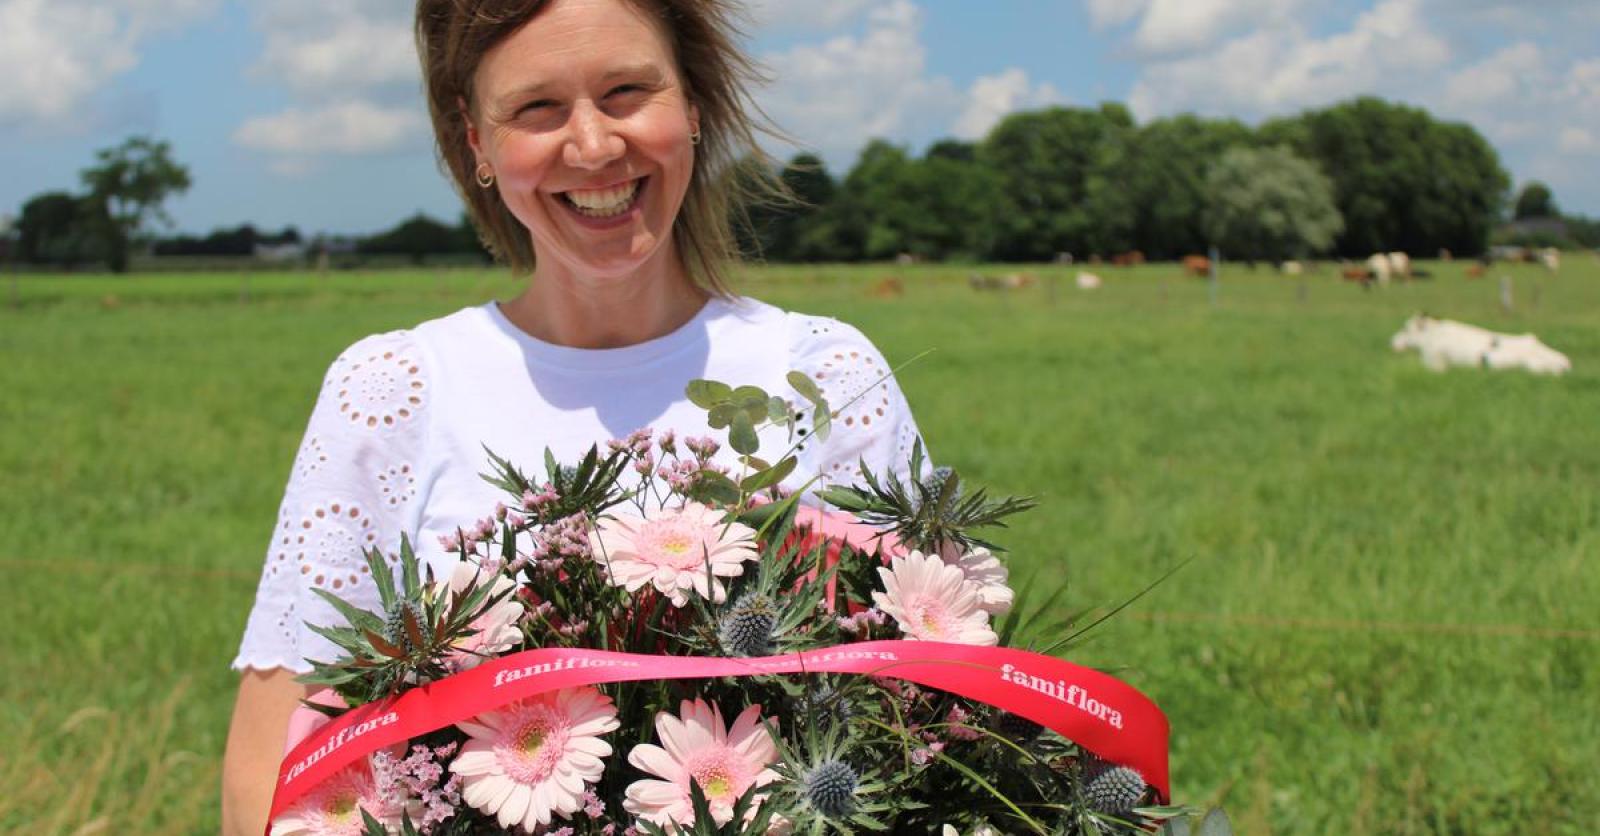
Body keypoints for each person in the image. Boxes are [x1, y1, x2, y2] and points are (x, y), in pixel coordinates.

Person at [219, 0, 928, 832]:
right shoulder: (391, 390)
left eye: (627, 90)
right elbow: (271, 766)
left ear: (692, 107)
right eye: (537, 108)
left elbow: (928, 718)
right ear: (477, 142)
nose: (593, 146)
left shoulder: (827, 375)